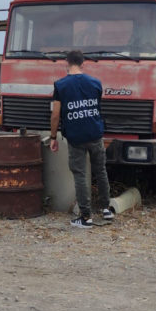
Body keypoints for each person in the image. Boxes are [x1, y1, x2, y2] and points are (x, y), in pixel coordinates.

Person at [49, 50, 114, 229]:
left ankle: (86, 217)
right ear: (83, 63)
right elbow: (97, 107)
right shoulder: (96, 83)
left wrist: (53, 137)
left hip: (76, 137)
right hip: (95, 134)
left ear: (66, 63)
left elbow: (55, 115)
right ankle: (106, 209)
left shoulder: (60, 85)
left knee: (80, 174)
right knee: (100, 170)